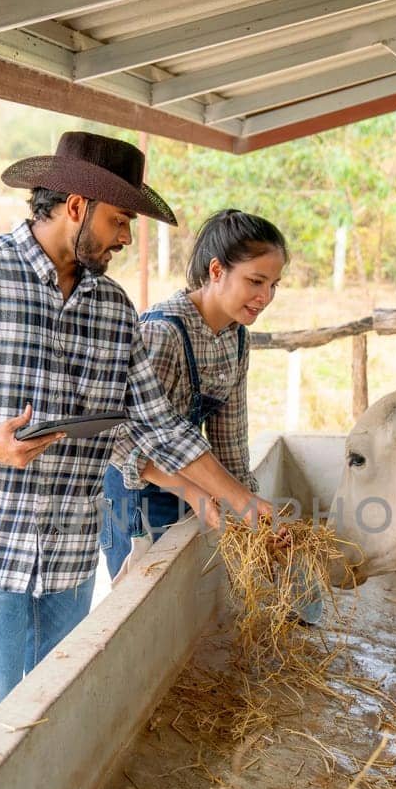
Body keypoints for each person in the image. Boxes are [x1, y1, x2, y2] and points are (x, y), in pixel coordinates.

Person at [0, 134, 272, 742]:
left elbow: (156, 424)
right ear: (76, 207)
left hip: (69, 540)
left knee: (59, 694)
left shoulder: (114, 309)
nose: (125, 239)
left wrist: (239, 499)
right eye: (119, 221)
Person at [102, 208, 286, 577]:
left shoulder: (236, 337)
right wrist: (191, 490)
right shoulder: (163, 332)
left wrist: (252, 514)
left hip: (193, 483)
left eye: (274, 285)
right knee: (143, 599)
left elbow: (230, 441)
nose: (265, 297)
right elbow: (115, 435)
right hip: (138, 490)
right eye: (255, 281)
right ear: (216, 271)